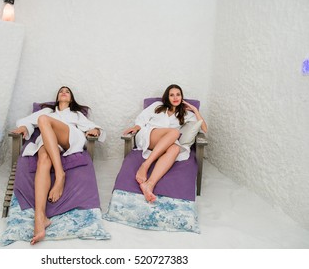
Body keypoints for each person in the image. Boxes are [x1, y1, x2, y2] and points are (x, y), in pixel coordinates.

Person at [11, 86, 106, 245]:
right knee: (43, 158)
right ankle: (40, 217)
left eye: (67, 91)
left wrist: (94, 130)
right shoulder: (48, 112)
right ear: (57, 96)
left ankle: (60, 174)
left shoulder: (76, 114)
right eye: (61, 91)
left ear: (71, 98)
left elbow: (93, 127)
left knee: (42, 121)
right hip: (48, 142)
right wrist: (22, 128)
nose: (63, 92)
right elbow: (27, 122)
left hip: (68, 137)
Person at [123, 84, 207, 203]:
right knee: (174, 132)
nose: (175, 97)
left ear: (182, 97)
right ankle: (145, 165)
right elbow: (142, 118)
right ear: (167, 97)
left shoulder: (186, 114)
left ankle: (149, 184)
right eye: (171, 95)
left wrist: (195, 110)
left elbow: (204, 128)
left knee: (175, 149)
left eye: (178, 94)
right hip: (150, 135)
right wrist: (136, 128)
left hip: (168, 142)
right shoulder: (157, 106)